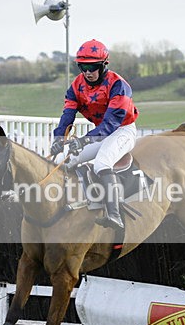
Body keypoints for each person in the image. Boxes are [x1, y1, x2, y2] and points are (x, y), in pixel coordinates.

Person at [50, 39, 138, 231]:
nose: (88, 72)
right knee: (65, 160)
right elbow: (68, 115)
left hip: (122, 130)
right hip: (102, 134)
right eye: (83, 67)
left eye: (93, 67)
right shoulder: (76, 86)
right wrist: (58, 139)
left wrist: (84, 140)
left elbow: (111, 123)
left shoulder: (118, 85)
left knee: (101, 164)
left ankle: (114, 215)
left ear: (104, 65)